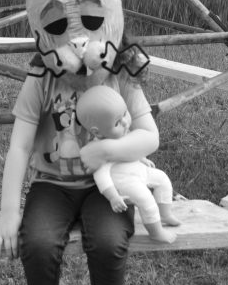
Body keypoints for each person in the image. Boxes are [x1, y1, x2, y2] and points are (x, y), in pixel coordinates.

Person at [0, 0, 161, 285]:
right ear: (42, 30)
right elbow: (19, 147)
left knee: (109, 242)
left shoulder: (121, 74)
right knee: (37, 244)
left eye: (91, 20)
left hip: (112, 184)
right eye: (57, 24)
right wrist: (7, 212)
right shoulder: (41, 79)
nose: (77, 39)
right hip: (52, 184)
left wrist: (108, 153)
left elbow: (149, 135)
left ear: (109, 19)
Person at [75, 85, 181, 244]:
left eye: (125, 113)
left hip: (140, 171)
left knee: (163, 180)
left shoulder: (126, 133)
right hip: (126, 183)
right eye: (117, 122)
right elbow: (102, 177)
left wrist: (142, 158)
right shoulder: (98, 151)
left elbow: (135, 148)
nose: (125, 122)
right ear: (97, 132)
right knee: (146, 200)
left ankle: (165, 213)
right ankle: (156, 231)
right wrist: (113, 197)